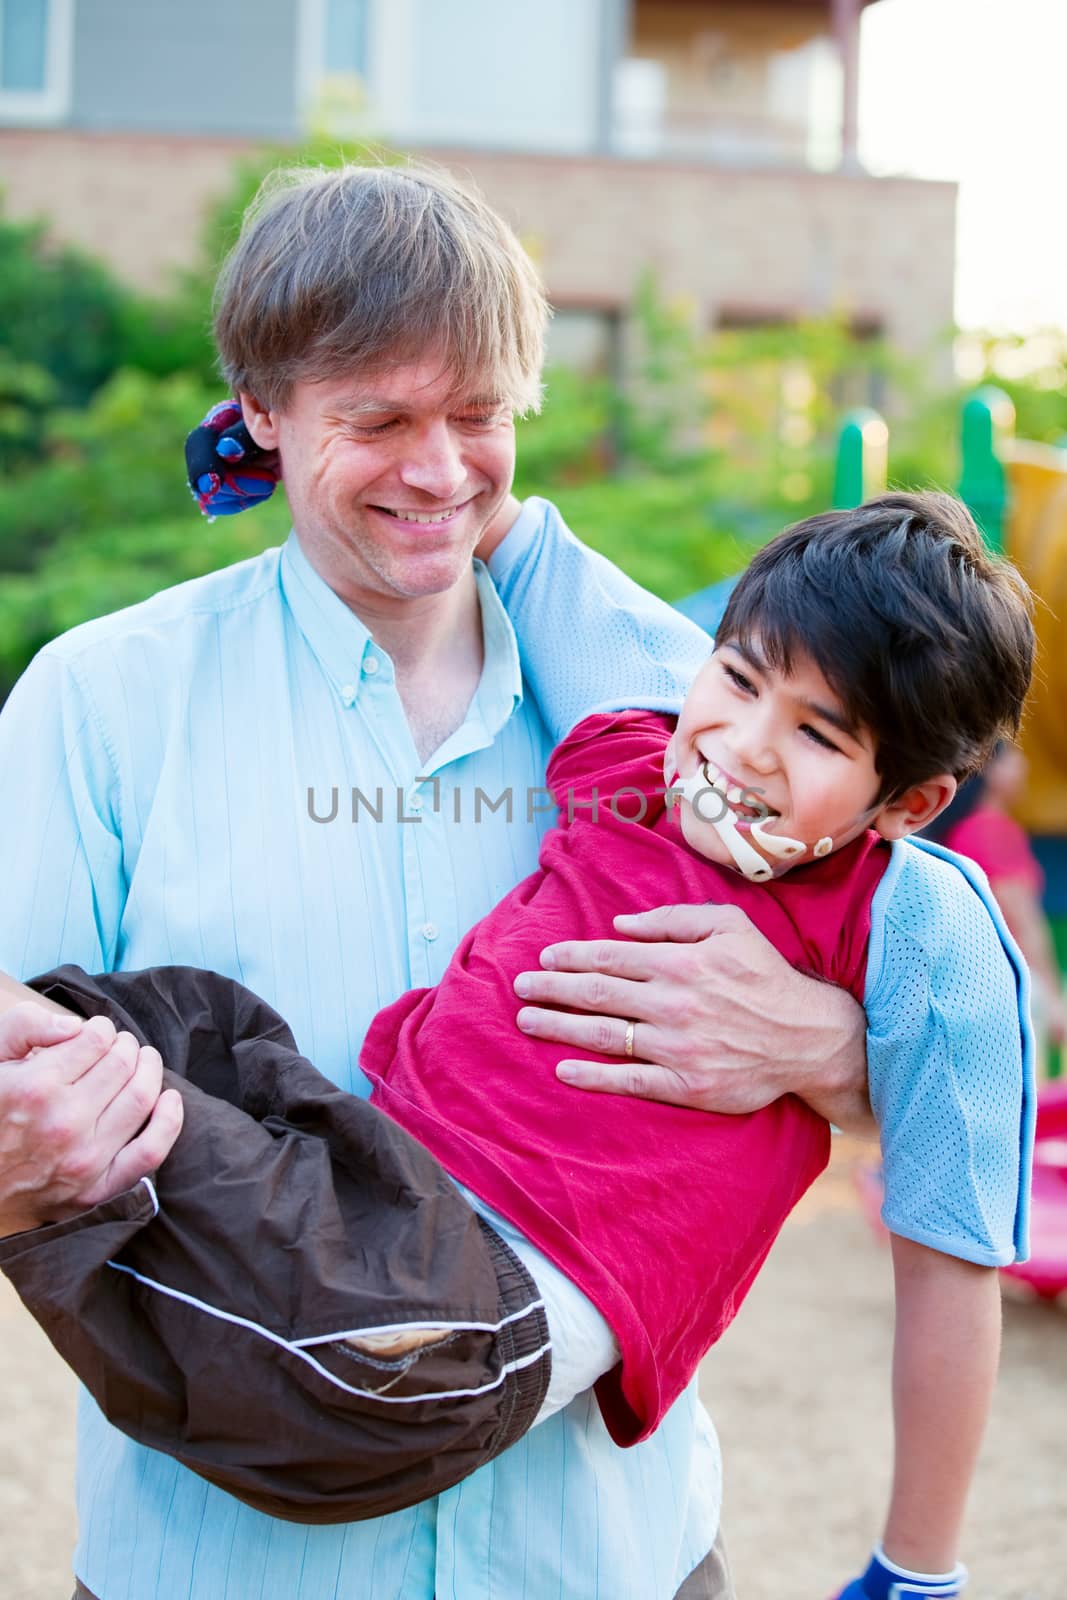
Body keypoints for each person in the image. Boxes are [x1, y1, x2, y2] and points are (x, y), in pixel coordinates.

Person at [0, 162, 980, 1600]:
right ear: (260, 417)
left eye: (477, 417)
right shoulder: (99, 704)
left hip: (607, 1557)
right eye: (378, 421)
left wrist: (829, 1049)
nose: (440, 471)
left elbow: (930, 1000)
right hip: (223, 1567)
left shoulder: (675, 706)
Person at [926, 742, 1067, 1051]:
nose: (1024, 767)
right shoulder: (992, 830)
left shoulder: (959, 832)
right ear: (993, 772)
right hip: (1016, 992)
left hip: (974, 987)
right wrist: (1055, 999)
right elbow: (1024, 922)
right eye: (1016, 758)